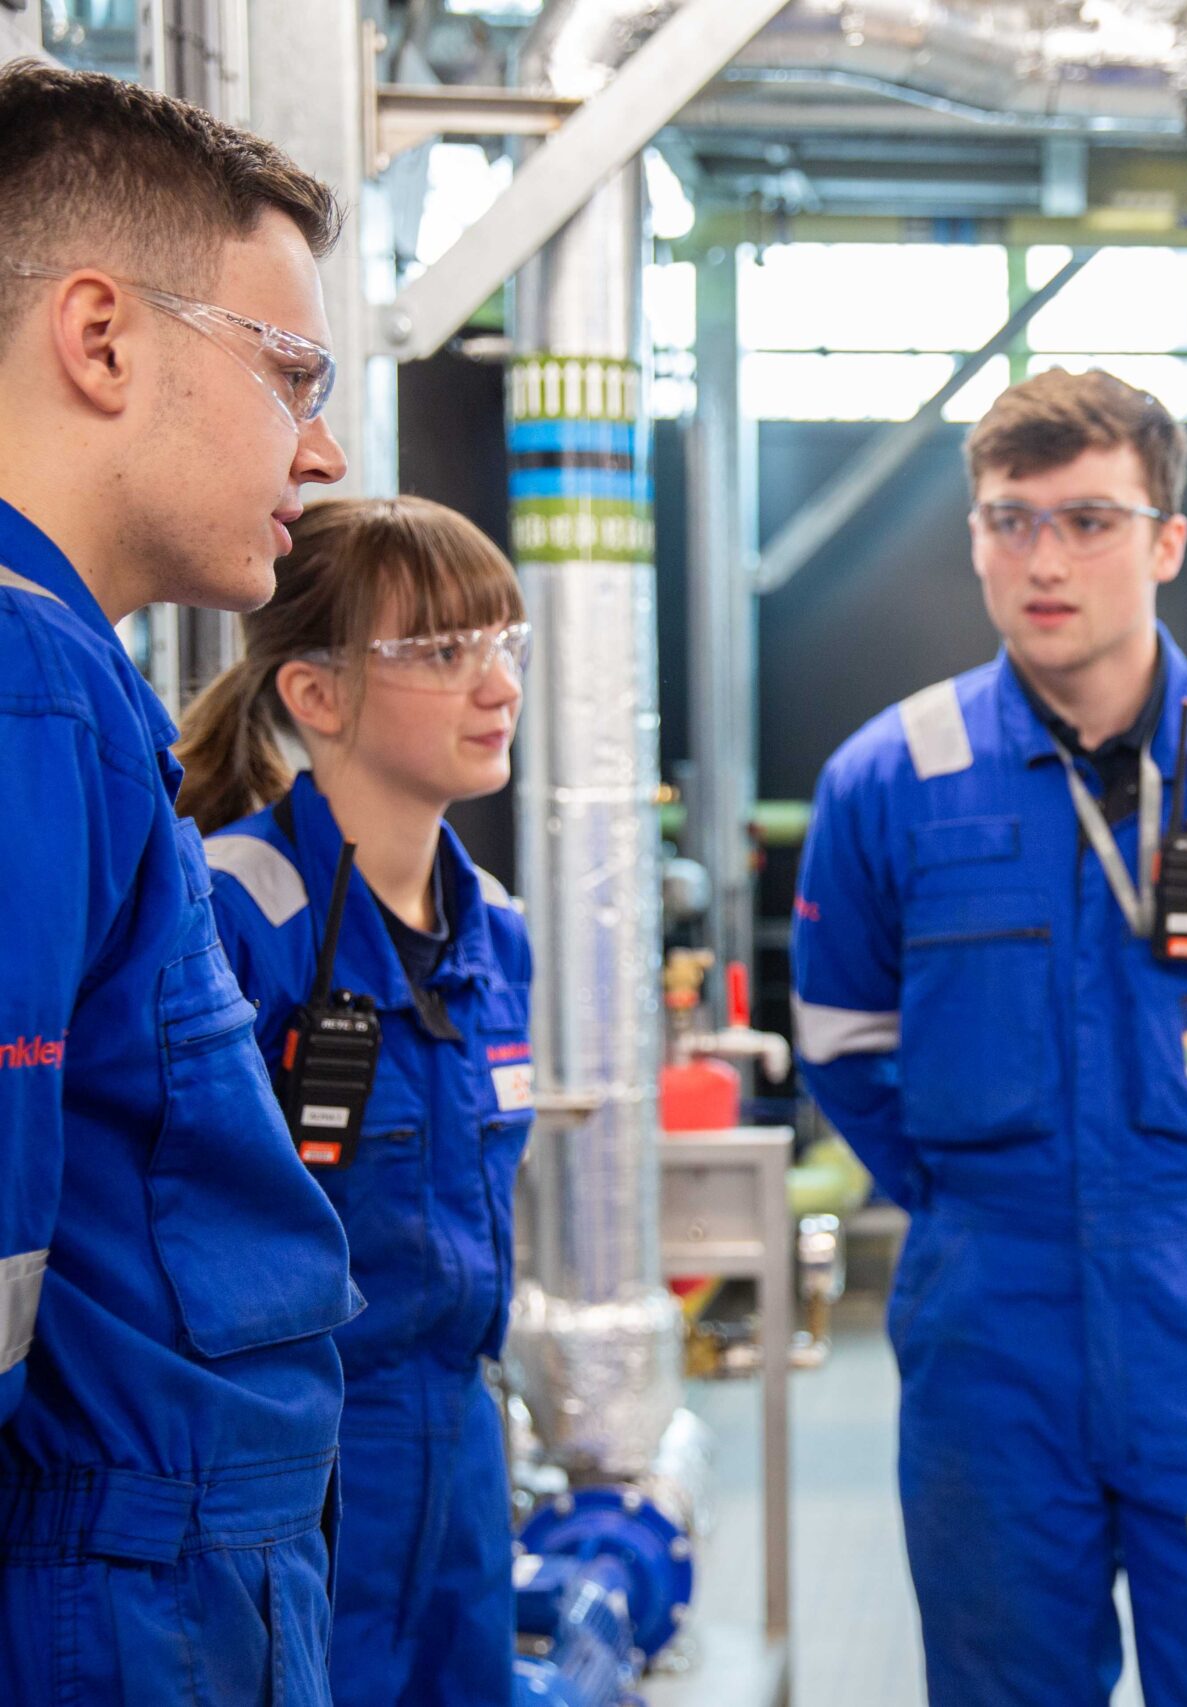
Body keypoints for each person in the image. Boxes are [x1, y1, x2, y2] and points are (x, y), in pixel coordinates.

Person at [790, 367, 1187, 1705]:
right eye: (1012, 519)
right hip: (991, 1322)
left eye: (1091, 520)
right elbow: (840, 1032)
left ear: (1168, 539)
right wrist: (964, 1194)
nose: (1045, 558)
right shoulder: (890, 777)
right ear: (977, 536)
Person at [0, 60, 361, 1701]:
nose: (324, 442)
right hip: (111, 1586)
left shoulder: (71, 680)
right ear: (101, 337)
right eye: (291, 371)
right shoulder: (29, 683)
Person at [173, 496, 534, 1707]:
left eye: (505, 644)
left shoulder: (499, 936)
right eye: (442, 652)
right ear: (314, 695)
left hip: (462, 1454)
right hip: (295, 1476)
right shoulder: (231, 916)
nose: (497, 687)